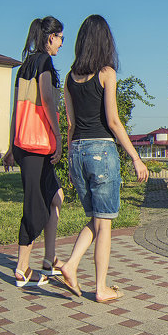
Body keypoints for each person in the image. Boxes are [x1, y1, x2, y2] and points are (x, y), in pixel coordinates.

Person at [52, 15, 149, 303]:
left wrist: (70, 160)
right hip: (101, 152)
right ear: (105, 41)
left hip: (78, 152)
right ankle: (101, 288)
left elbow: (69, 124)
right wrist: (136, 158)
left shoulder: (70, 77)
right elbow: (114, 121)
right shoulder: (106, 73)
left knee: (96, 218)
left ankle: (70, 265)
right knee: (105, 223)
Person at [3, 16, 64, 287]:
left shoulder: (25, 65)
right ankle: (22, 267)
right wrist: (59, 137)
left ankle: (49, 261)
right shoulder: (43, 62)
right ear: (50, 37)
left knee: (56, 197)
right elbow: (48, 99)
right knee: (35, 206)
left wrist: (10, 146)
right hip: (38, 145)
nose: (62, 43)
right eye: (61, 38)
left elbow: (17, 109)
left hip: (24, 144)